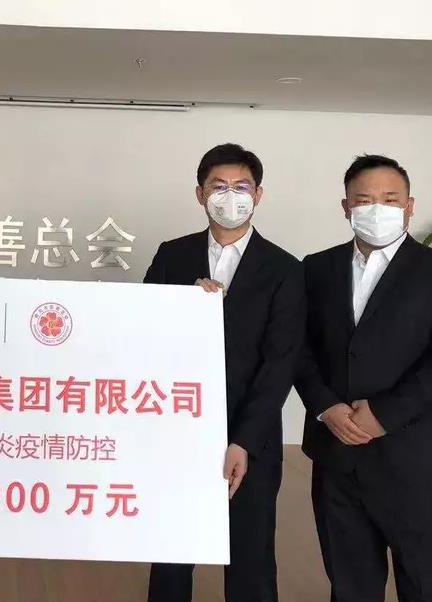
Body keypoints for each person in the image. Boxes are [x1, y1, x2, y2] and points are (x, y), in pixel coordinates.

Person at [295, 155, 432, 602]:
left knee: (427, 584)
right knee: (350, 585)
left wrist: (383, 414)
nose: (377, 209)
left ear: (410, 206)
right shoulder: (315, 269)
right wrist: (325, 406)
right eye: (364, 200)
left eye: (390, 199)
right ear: (345, 207)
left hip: (417, 460)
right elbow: (296, 347)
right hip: (337, 455)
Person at [144, 143, 304, 602]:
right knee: (173, 550)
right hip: (178, 429)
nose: (230, 196)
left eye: (241, 187)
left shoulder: (284, 268)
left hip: (251, 437)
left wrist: (243, 441)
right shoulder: (172, 255)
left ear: (258, 195)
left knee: (250, 554)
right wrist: (185, 305)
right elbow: (143, 328)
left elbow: (280, 363)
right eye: (218, 186)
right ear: (200, 194)